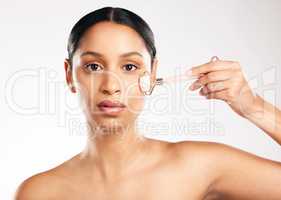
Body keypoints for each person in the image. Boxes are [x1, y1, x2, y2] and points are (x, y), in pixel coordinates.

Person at [15, 6, 281, 200]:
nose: (111, 85)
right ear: (69, 75)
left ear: (153, 74)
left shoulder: (198, 166)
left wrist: (252, 106)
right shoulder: (39, 192)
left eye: (129, 66)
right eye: (94, 66)